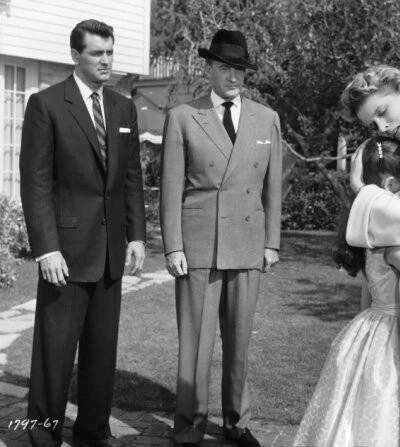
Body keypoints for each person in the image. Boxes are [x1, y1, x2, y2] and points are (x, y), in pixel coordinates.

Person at [19, 19, 146, 447]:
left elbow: (131, 176)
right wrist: (46, 249)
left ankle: (93, 431)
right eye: (97, 53)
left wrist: (137, 236)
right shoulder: (47, 104)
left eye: (110, 52)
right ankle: (43, 435)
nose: (106, 60)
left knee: (101, 353)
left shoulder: (123, 107)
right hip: (66, 255)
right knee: (55, 353)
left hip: (110, 253)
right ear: (75, 55)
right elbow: (35, 182)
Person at [160, 29, 282, 447]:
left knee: (240, 340)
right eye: (225, 67)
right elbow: (171, 188)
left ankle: (237, 422)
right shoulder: (183, 116)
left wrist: (272, 241)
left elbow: (273, 186)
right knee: (195, 344)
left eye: (240, 69)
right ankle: (189, 425)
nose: (233, 77)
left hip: (247, 242)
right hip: (199, 245)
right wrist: (173, 245)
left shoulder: (266, 118)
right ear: (209, 68)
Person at [293, 137, 400, 447]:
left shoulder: (369, 239)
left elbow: (367, 298)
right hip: (391, 337)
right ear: (390, 186)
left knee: (353, 412)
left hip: (369, 328)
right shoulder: (394, 248)